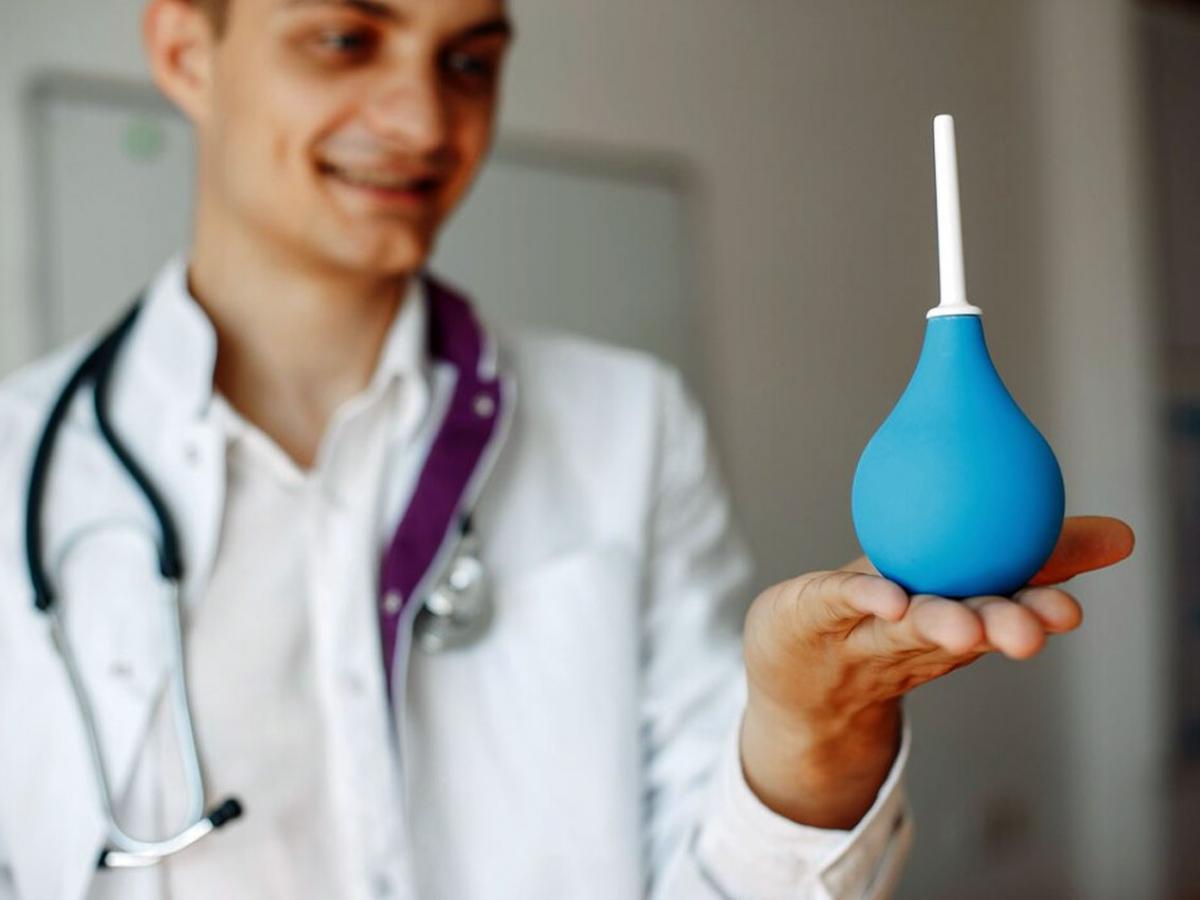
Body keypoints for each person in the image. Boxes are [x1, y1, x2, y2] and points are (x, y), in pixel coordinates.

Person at [0, 0, 1135, 897]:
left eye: (469, 61)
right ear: (185, 52)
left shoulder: (627, 427)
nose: (424, 121)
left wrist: (813, 729)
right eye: (346, 39)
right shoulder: (16, 471)